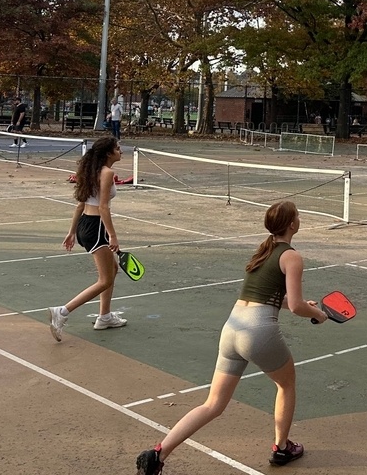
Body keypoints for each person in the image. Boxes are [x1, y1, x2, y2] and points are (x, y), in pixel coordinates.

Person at [135, 201, 328, 474]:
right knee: (286, 385)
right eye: (298, 215)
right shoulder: (291, 256)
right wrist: (317, 314)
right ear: (292, 224)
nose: (299, 218)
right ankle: (282, 447)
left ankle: (158, 454)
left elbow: (272, 297)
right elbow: (296, 306)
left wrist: (304, 305)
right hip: (258, 332)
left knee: (213, 404)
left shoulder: (264, 251)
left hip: (232, 329)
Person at [47, 136, 129, 340]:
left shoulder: (91, 171)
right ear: (109, 153)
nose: (121, 151)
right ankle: (62, 312)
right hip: (96, 228)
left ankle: (105, 317)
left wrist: (73, 231)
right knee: (105, 279)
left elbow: (81, 204)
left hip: (85, 224)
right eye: (117, 148)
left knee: (113, 269)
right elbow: (103, 207)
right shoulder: (107, 173)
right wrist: (112, 235)